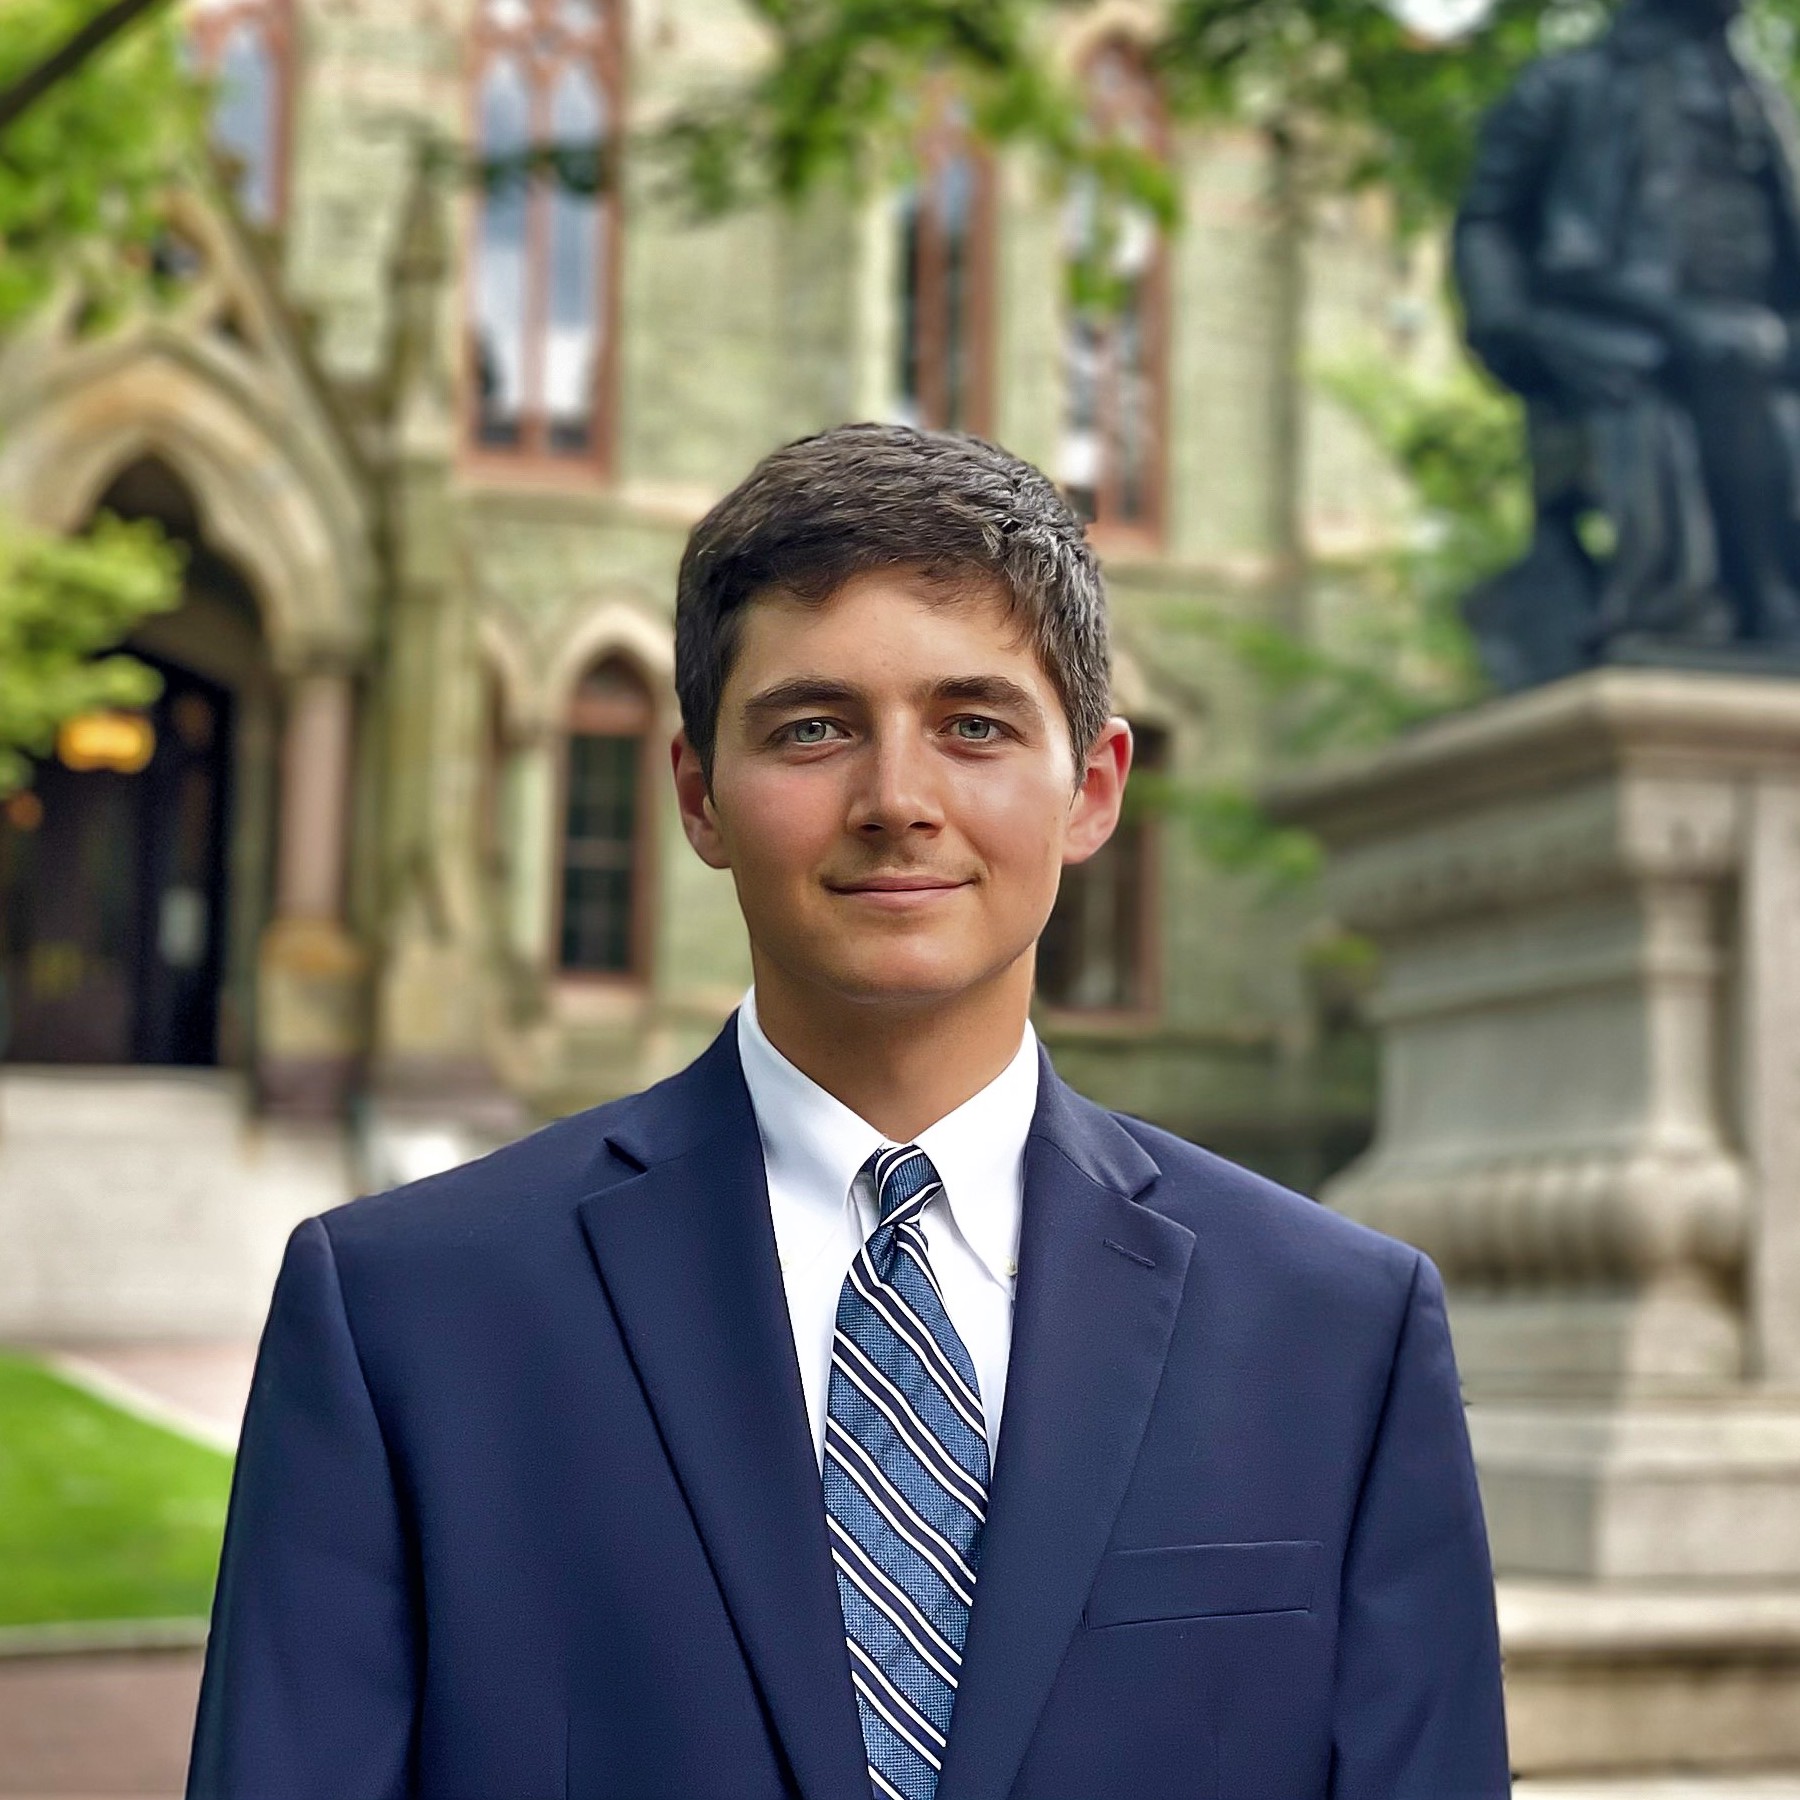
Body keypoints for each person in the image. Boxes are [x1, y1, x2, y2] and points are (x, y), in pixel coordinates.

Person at [187, 425, 1509, 1800]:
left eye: (975, 726)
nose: (898, 802)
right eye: (814, 728)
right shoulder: (403, 1316)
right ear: (699, 793)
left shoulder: (1336, 1334)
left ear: (1095, 790)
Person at [1456, 0, 1800, 687]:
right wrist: (1513, 330)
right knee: (1735, 353)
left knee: (1749, 351)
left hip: (1760, 338)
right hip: (1615, 327)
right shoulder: (1569, 86)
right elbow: (1489, 220)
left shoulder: (1762, 99)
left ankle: (1774, 609)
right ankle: (1764, 605)